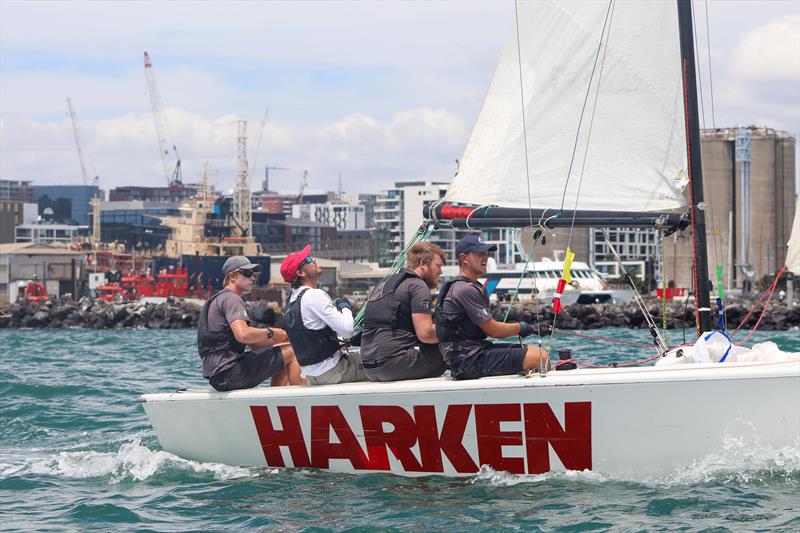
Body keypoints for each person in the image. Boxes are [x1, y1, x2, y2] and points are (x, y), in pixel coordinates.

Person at [435, 234, 550, 380]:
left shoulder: (462, 286)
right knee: (540, 357)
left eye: (486, 254)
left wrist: (531, 329)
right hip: (467, 361)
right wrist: (522, 327)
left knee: (538, 352)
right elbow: (494, 330)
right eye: (480, 254)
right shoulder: (465, 289)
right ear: (465, 258)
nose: (486, 258)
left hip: (470, 354)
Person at [197, 256, 306, 391]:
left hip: (218, 376)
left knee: (284, 350)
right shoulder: (232, 299)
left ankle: (278, 397)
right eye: (248, 274)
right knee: (294, 352)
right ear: (232, 277)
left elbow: (254, 344)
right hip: (228, 373)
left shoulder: (219, 298)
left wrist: (282, 339)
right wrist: (271, 332)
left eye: (253, 275)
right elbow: (243, 335)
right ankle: (299, 398)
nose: (252, 278)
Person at [360, 242, 448, 382]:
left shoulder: (385, 284)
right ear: (423, 264)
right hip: (392, 365)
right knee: (453, 347)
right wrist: (457, 331)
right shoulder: (417, 285)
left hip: (369, 367)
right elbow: (426, 334)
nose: (441, 272)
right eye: (438, 266)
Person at [281, 245, 367, 385]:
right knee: (384, 359)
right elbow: (347, 330)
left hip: (315, 376)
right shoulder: (314, 295)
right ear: (300, 272)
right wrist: (345, 307)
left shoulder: (291, 300)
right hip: (335, 371)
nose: (313, 260)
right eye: (308, 259)